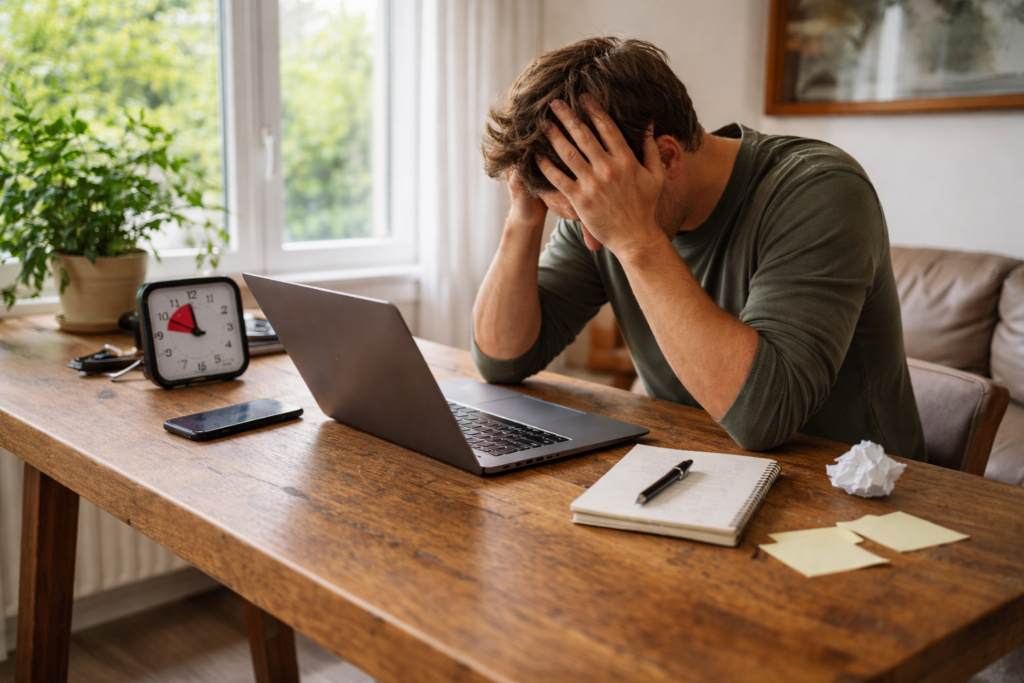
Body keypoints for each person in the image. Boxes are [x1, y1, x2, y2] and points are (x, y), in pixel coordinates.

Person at [471, 37, 926, 461]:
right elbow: (501, 359)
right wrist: (523, 218)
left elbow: (764, 417)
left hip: (857, 488)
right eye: (576, 218)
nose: (593, 242)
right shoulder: (600, 203)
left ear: (667, 157)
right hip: (696, 464)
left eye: (592, 219)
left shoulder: (821, 191)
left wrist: (634, 240)